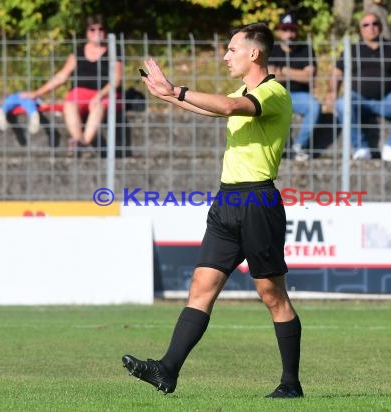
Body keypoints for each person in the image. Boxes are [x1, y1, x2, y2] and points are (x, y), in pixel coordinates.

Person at [122, 23, 303, 399]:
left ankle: (290, 384)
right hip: (227, 201)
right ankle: (167, 370)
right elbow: (216, 110)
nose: (226, 56)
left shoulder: (273, 93)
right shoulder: (242, 90)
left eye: (232, 49)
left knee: (272, 295)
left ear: (254, 53)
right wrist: (168, 96)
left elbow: (227, 106)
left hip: (257, 201)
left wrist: (177, 90)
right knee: (201, 287)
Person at [326, 11, 391, 162]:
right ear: (360, 29)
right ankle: (361, 148)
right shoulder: (352, 50)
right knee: (341, 104)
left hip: (387, 100)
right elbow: (337, 72)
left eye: (375, 23)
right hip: (358, 100)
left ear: (380, 26)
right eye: (366, 24)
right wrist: (332, 92)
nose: (370, 27)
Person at [21, 14, 122, 153]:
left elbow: (116, 80)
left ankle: (84, 142)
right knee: (69, 105)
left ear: (105, 31)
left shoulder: (114, 51)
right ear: (87, 32)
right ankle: (79, 141)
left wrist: (99, 95)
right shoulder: (78, 52)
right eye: (92, 29)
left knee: (98, 108)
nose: (97, 33)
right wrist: (36, 93)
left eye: (100, 29)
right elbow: (62, 76)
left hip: (104, 94)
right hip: (79, 94)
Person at [269, 12, 321, 162]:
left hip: (299, 97)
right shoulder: (272, 50)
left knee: (314, 106)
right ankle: (276, 149)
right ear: (279, 31)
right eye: (285, 30)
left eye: (292, 30)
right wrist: (298, 74)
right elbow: (270, 77)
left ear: (297, 31)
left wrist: (284, 71)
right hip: (276, 95)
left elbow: (309, 77)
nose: (289, 34)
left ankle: (299, 146)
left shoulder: (307, 49)